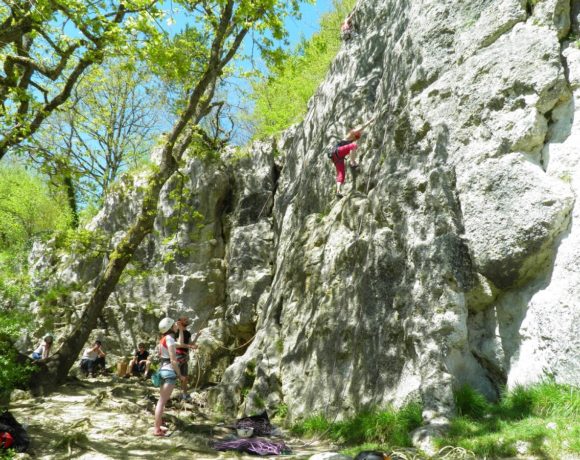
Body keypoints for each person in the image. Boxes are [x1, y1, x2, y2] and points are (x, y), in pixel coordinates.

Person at [154, 317, 187, 437]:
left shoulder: (165, 339)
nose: (175, 326)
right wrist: (180, 375)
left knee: (161, 401)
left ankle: (158, 426)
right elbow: (173, 360)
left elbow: (182, 344)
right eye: (174, 325)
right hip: (169, 372)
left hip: (163, 371)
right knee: (161, 402)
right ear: (170, 327)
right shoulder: (169, 339)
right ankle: (157, 429)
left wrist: (181, 329)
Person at [175, 316, 198, 400]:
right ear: (180, 321)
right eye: (184, 319)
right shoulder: (177, 331)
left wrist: (197, 336)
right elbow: (179, 344)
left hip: (184, 356)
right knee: (174, 374)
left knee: (184, 376)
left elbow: (190, 343)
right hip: (177, 355)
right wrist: (190, 346)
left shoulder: (188, 333)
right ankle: (166, 394)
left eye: (187, 319)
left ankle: (184, 395)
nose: (186, 320)